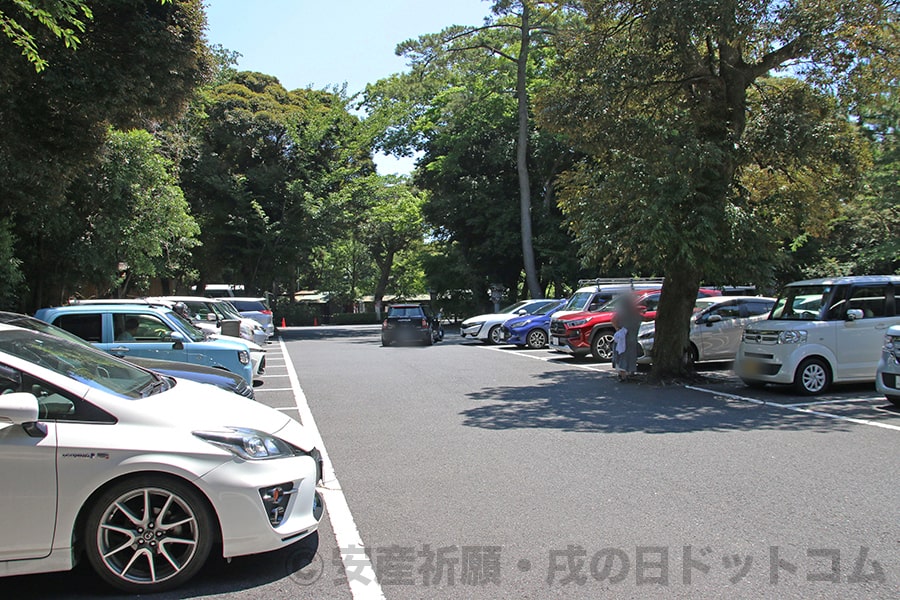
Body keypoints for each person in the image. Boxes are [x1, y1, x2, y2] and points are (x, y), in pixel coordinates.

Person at [612, 293, 641, 381]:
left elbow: (613, 321)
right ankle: (626, 373)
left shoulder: (629, 313)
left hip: (628, 337)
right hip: (627, 337)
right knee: (626, 354)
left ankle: (625, 373)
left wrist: (618, 329)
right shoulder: (627, 313)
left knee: (624, 354)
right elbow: (614, 320)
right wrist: (619, 329)